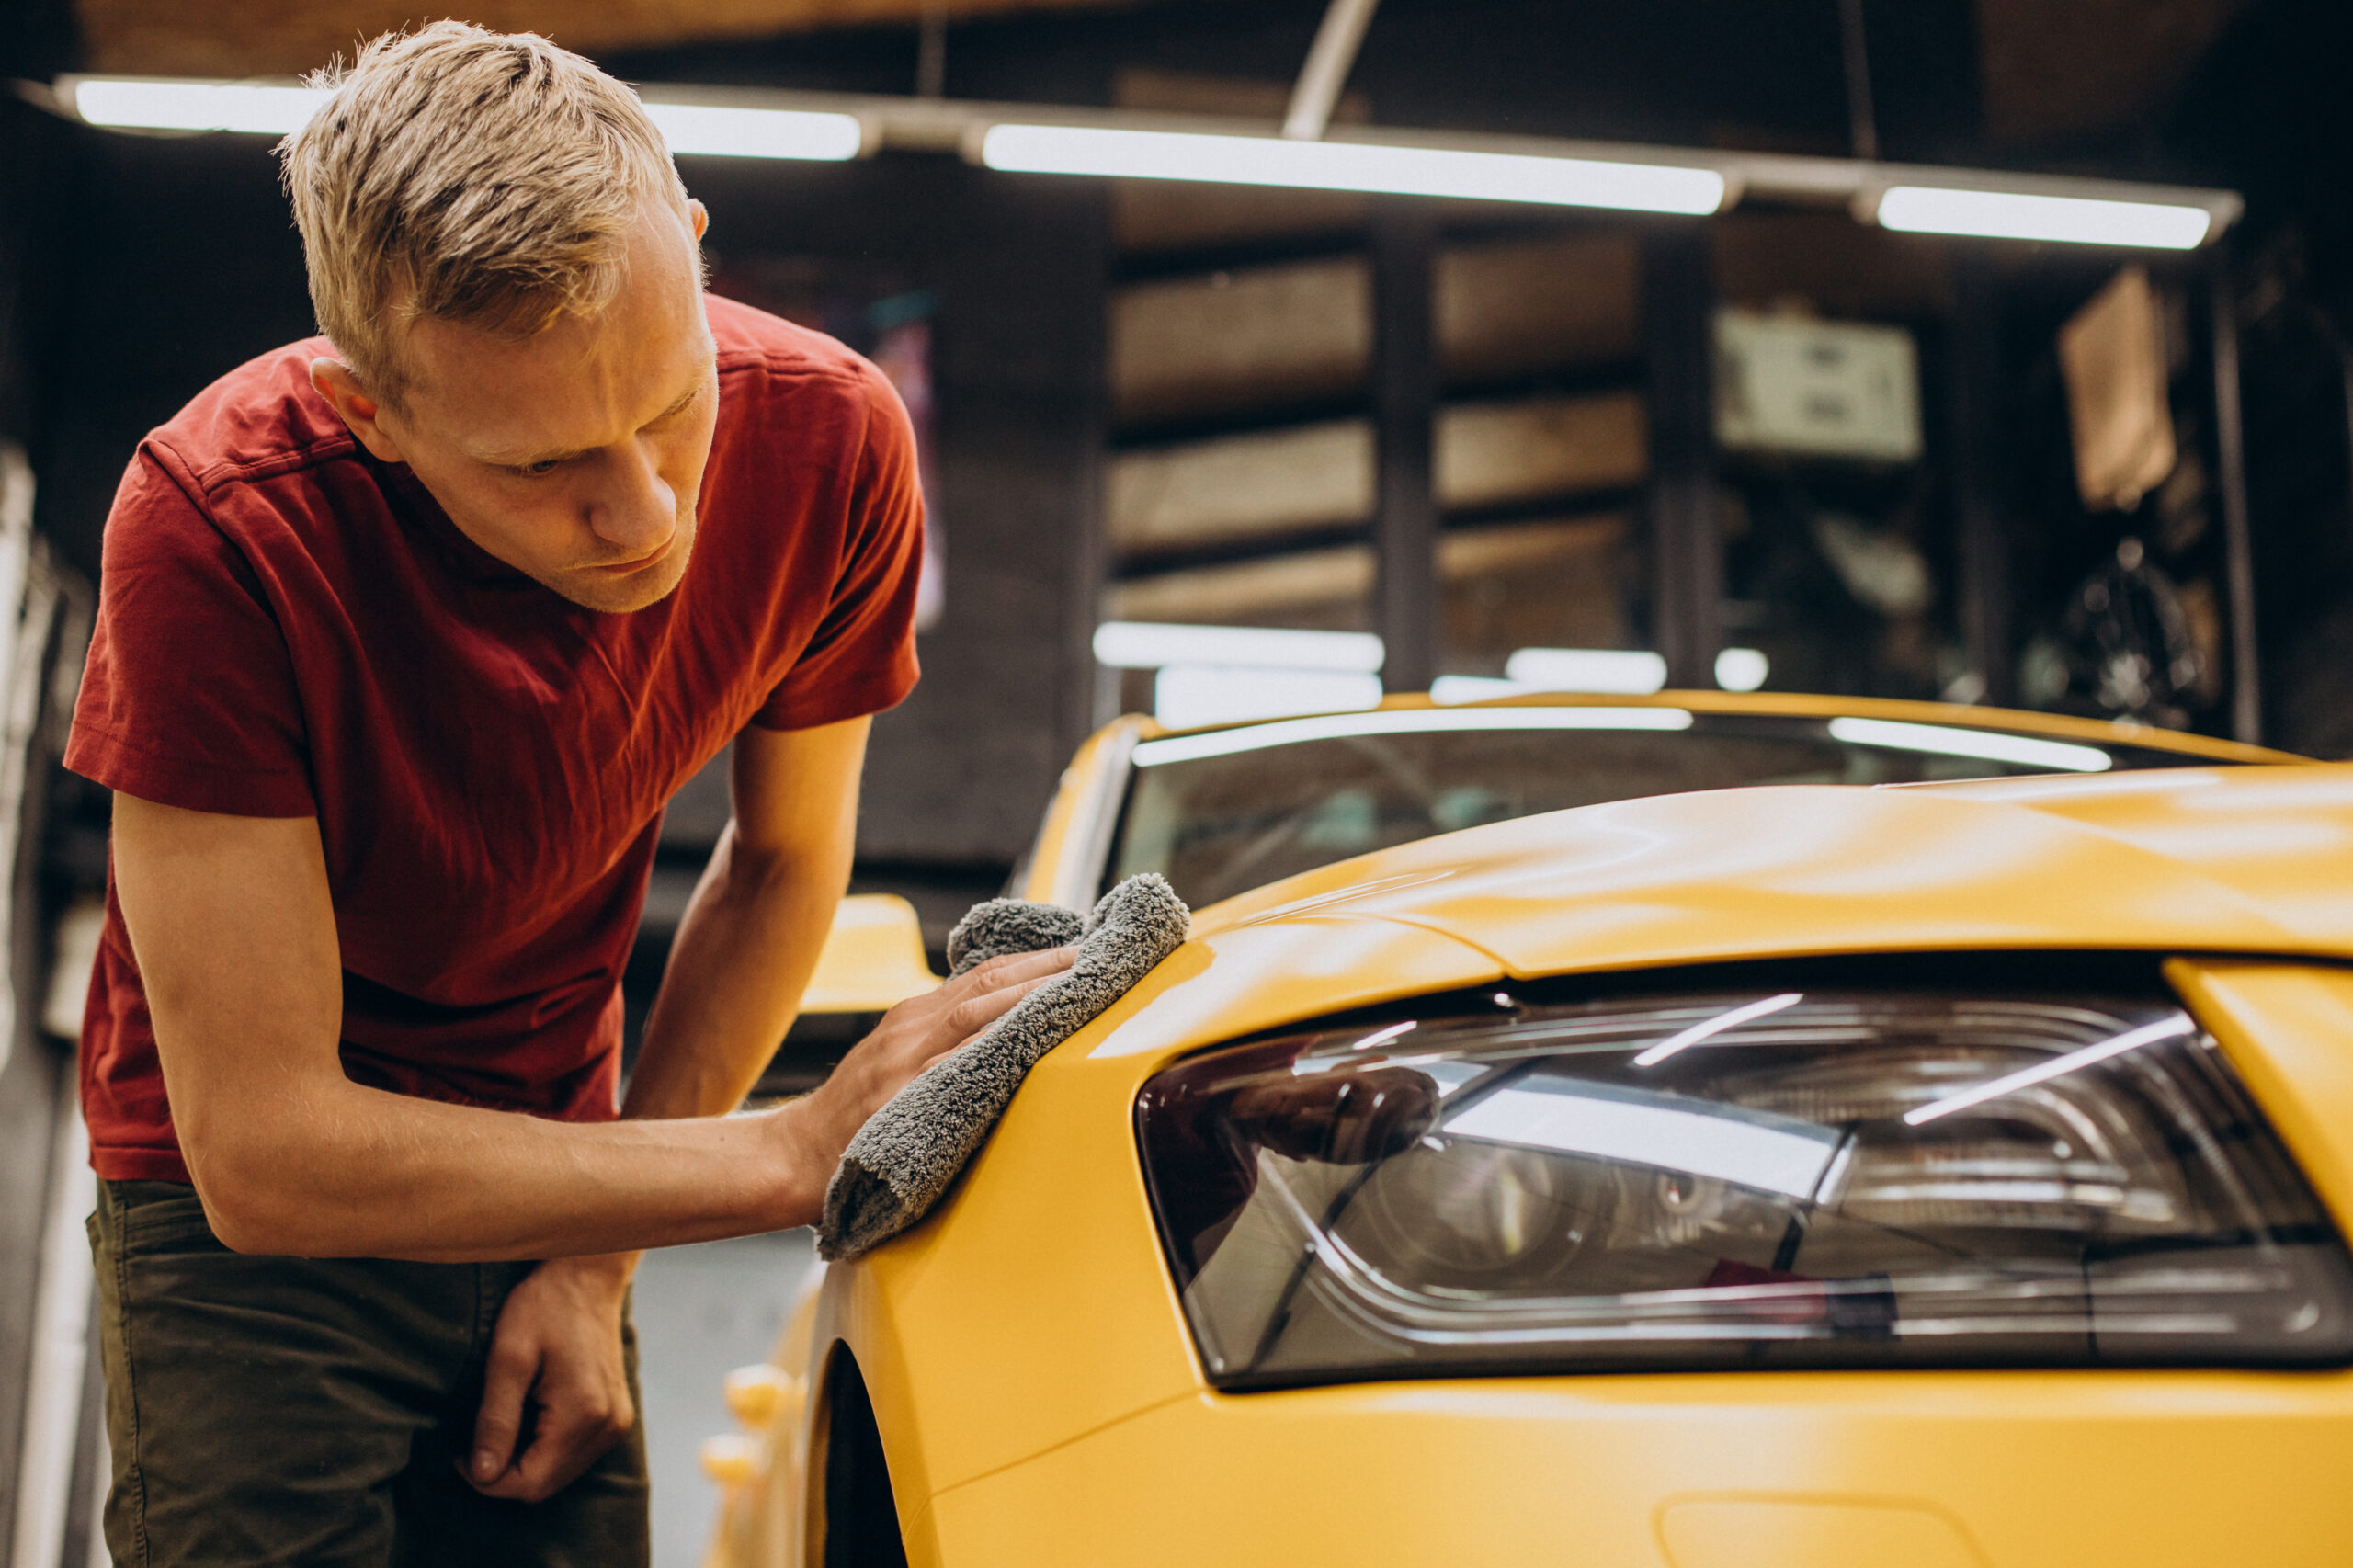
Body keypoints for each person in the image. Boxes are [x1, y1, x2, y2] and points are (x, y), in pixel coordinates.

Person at [64, 23, 1068, 1566]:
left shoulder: (836, 442)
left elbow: (780, 863)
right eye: (540, 468)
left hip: (563, 1155)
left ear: (696, 245)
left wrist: (599, 1259)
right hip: (245, 1233)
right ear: (371, 414)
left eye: (670, 404)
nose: (644, 512)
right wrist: (790, 1149)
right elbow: (265, 1150)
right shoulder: (215, 526)